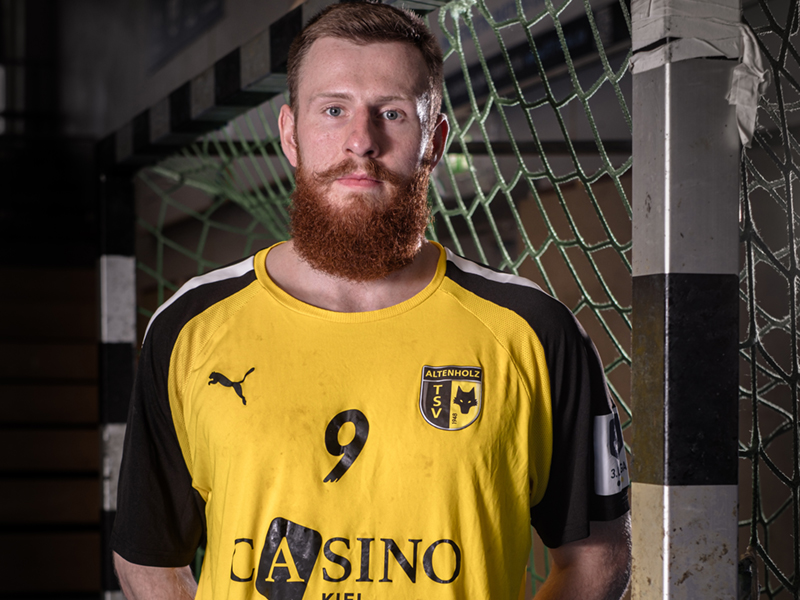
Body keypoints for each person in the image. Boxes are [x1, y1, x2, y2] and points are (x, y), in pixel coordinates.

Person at [111, 2, 632, 599]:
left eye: (392, 113)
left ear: (433, 141)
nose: (361, 140)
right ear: (291, 134)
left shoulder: (535, 330)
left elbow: (598, 557)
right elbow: (147, 559)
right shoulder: (188, 326)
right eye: (334, 109)